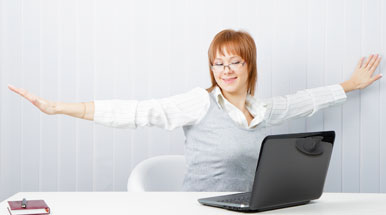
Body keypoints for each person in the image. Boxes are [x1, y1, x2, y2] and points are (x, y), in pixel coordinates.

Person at [8, 29, 382, 192]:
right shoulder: (199, 103)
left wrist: (349, 84)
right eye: (218, 65)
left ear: (249, 66)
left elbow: (304, 99)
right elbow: (137, 112)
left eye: (235, 62)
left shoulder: (262, 109)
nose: (226, 72)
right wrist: (57, 108)